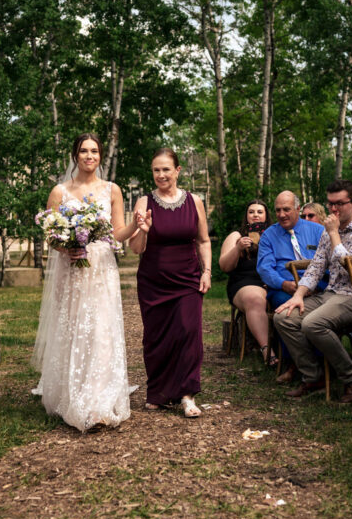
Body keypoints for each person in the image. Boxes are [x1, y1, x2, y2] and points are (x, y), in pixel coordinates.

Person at [32, 134, 140, 431]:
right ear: (74, 155)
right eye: (83, 150)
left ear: (100, 156)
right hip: (72, 270)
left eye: (94, 151)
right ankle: (71, 394)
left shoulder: (111, 190)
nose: (89, 156)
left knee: (101, 330)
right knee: (73, 327)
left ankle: (98, 402)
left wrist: (136, 225)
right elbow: (51, 236)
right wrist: (67, 248)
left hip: (102, 268)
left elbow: (117, 233)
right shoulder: (60, 191)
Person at [274, 180, 352, 402]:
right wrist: (298, 295)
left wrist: (334, 234)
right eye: (330, 204)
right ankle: (314, 376)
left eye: (339, 203)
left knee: (313, 324)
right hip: (329, 294)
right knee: (284, 317)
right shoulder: (329, 230)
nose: (333, 209)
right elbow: (316, 267)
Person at [130, 147, 212, 419]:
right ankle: (158, 392)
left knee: (189, 332)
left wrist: (207, 271)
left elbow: (203, 241)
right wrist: (143, 230)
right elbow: (136, 249)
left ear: (177, 171)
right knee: (156, 338)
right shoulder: (144, 202)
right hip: (153, 280)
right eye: (156, 170)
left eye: (166, 169)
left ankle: (187, 395)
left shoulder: (194, 201)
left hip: (188, 278)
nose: (161, 175)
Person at [219, 200, 275, 365]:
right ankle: (267, 350)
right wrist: (237, 249)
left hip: (272, 281)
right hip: (244, 283)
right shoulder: (236, 235)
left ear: (266, 215)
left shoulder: (275, 233)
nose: (255, 215)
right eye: (251, 212)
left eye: (259, 212)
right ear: (246, 216)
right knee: (254, 299)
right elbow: (224, 266)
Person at [256, 192, 324, 311]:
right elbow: (264, 268)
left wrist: (314, 286)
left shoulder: (318, 231)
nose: (282, 215)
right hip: (285, 291)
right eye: (278, 210)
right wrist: (283, 284)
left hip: (318, 287)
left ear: (298, 209)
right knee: (287, 307)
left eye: (286, 209)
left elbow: (330, 263)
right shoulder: (268, 236)